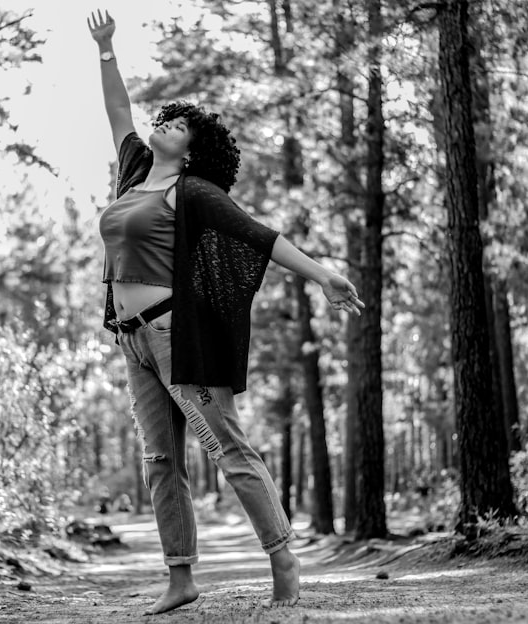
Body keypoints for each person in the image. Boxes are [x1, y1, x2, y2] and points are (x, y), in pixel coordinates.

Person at [87, 9, 365, 616]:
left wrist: (322, 275)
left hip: (172, 336)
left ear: (192, 150)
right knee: (160, 462)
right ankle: (180, 577)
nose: (166, 122)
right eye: (168, 117)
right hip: (132, 341)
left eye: (179, 123)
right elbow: (117, 112)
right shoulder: (136, 171)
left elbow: (261, 236)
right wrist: (107, 50)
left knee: (227, 448)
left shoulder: (194, 192)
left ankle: (283, 557)